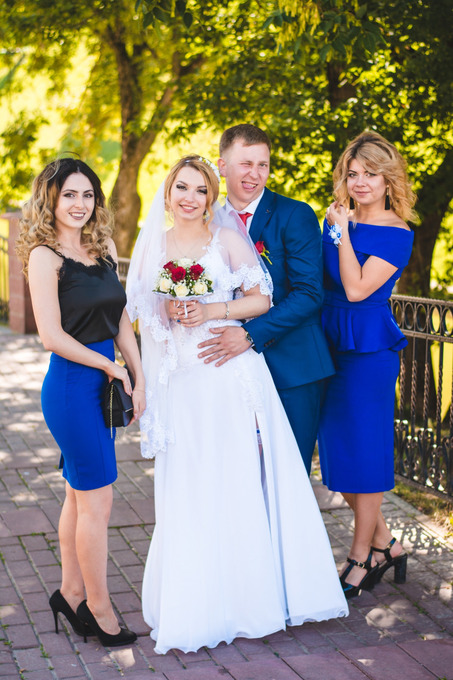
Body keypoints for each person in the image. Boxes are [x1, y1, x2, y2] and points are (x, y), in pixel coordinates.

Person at [126, 155, 348, 655]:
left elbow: (261, 299)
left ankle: (249, 601)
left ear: (211, 196)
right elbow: (142, 316)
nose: (190, 197)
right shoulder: (153, 244)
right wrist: (167, 313)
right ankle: (195, 603)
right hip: (182, 381)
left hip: (227, 372)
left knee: (236, 476)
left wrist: (211, 310)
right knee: (189, 482)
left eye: (200, 190)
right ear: (168, 192)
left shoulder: (226, 238)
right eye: (182, 187)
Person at [15, 158, 146, 646]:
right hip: (72, 387)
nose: (79, 204)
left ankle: (70, 594)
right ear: (50, 199)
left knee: (78, 494)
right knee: (98, 501)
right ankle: (99, 608)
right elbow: (50, 336)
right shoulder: (44, 256)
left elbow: (120, 318)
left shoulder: (103, 247)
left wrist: (138, 374)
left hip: (105, 378)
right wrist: (110, 367)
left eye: (87, 195)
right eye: (69, 194)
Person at [197, 123, 335, 474]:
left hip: (293, 366)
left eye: (263, 165)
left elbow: (309, 294)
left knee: (288, 474)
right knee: (239, 473)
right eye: (246, 164)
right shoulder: (207, 220)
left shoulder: (294, 215)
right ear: (222, 166)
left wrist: (249, 335)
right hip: (228, 367)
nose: (255, 174)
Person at [317, 131, 416, 599]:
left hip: (368, 351)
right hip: (329, 343)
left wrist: (339, 233)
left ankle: (361, 557)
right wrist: (338, 228)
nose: (360, 182)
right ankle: (387, 544)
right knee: (337, 453)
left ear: (388, 180)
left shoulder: (398, 233)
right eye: (353, 173)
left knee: (365, 453)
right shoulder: (339, 219)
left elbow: (356, 288)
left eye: (371, 174)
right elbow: (321, 280)